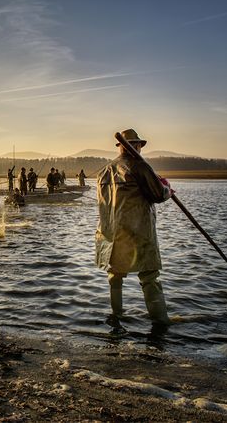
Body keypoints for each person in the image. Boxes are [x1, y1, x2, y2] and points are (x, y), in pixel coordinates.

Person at [96, 128, 173, 325]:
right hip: (138, 232)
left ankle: (117, 318)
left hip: (111, 233)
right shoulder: (139, 166)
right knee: (149, 277)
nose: (140, 149)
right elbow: (158, 194)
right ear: (135, 145)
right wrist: (167, 188)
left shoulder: (105, 171)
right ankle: (161, 324)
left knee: (115, 277)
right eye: (138, 145)